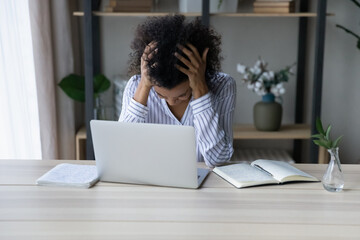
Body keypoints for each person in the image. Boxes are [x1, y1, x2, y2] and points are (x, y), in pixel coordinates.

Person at [119, 14, 236, 167]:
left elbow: (218, 159)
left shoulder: (223, 86)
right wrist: (143, 86)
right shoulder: (136, 86)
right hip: (149, 185)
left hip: (203, 187)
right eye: (160, 95)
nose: (171, 101)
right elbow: (121, 153)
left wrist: (201, 91)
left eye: (182, 95)